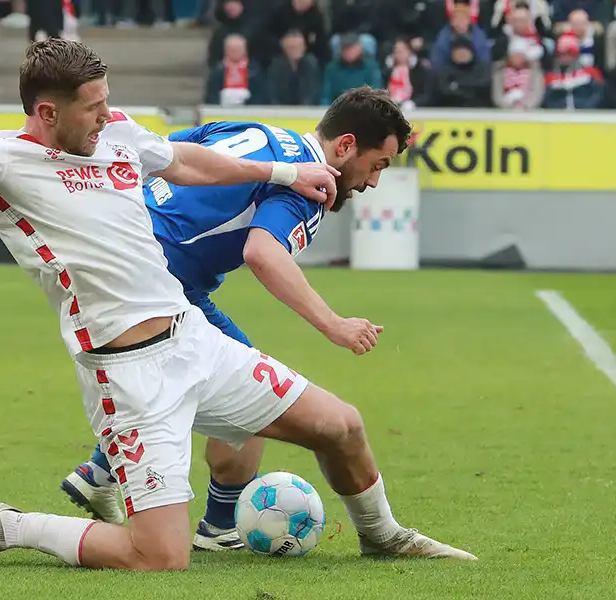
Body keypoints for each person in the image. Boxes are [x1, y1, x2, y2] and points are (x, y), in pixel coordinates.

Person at [0, 37, 475, 571]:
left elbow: (190, 162)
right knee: (156, 558)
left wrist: (279, 171)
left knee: (342, 426)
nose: (108, 114)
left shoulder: (115, 135)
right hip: (128, 378)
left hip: (194, 341)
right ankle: (9, 524)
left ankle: (384, 540)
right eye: (93, 105)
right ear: (47, 112)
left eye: (108, 99)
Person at [60, 92, 403, 551]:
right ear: (345, 146)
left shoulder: (253, 131)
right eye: (378, 164)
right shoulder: (310, 184)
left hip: (116, 256)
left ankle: (101, 471)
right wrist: (334, 325)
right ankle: (218, 524)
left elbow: (162, 152)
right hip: (161, 281)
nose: (374, 182)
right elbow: (263, 252)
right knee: (254, 387)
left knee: (220, 375)